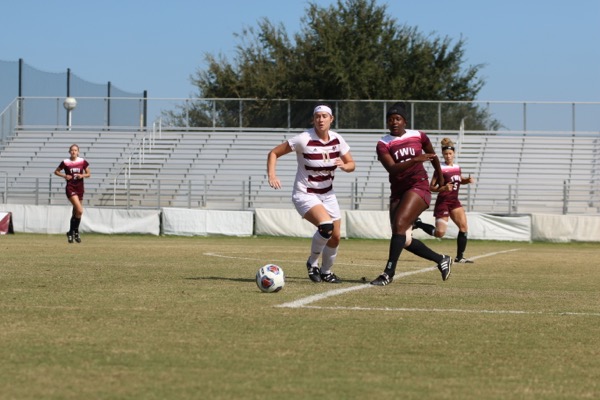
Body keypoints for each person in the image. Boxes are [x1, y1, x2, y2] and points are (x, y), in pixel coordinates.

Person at [267, 104, 355, 283]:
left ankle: (326, 272)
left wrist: (345, 166)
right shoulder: (303, 139)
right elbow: (274, 153)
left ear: (331, 119)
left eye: (324, 116)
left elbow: (351, 164)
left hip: (328, 194)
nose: (320, 120)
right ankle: (312, 263)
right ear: (313, 119)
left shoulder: (337, 139)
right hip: (305, 193)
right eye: (317, 116)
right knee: (326, 226)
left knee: (336, 236)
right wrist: (272, 175)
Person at [370, 102, 452, 286]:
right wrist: (415, 159)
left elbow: (432, 156)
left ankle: (388, 273)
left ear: (405, 121)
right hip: (398, 192)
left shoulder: (418, 136)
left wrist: (440, 176)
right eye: (390, 120)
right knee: (404, 238)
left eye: (398, 119)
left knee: (399, 224)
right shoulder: (383, 143)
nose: (394, 122)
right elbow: (392, 169)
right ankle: (441, 259)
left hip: (418, 186)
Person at [414, 137, 476, 263]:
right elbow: (431, 187)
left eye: (450, 153)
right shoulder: (440, 169)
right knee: (440, 233)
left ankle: (459, 257)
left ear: (454, 154)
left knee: (463, 227)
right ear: (442, 155)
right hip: (443, 202)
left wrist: (466, 181)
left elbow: (459, 180)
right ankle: (418, 223)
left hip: (454, 202)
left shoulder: (457, 168)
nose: (448, 156)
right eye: (445, 154)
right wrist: (443, 188)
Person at [54, 144, 90, 244]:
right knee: (80, 210)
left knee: (76, 212)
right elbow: (56, 172)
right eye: (72, 150)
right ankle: (75, 231)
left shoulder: (82, 161)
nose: (74, 152)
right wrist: (64, 176)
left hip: (80, 188)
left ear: (78, 152)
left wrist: (82, 175)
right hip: (71, 188)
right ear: (69, 151)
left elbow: (88, 174)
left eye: (75, 150)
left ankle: (71, 232)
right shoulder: (65, 162)